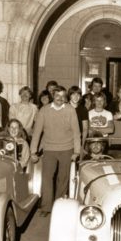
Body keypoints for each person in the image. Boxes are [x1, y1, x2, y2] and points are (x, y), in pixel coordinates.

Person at [30, 86, 81, 217]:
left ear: (66, 97)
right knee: (47, 178)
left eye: (63, 96)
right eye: (57, 96)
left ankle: (59, 205)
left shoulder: (70, 110)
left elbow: (76, 132)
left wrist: (76, 151)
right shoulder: (44, 110)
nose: (60, 99)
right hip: (49, 149)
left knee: (63, 179)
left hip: (67, 148)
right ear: (53, 96)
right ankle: (46, 207)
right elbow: (37, 132)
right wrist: (33, 151)